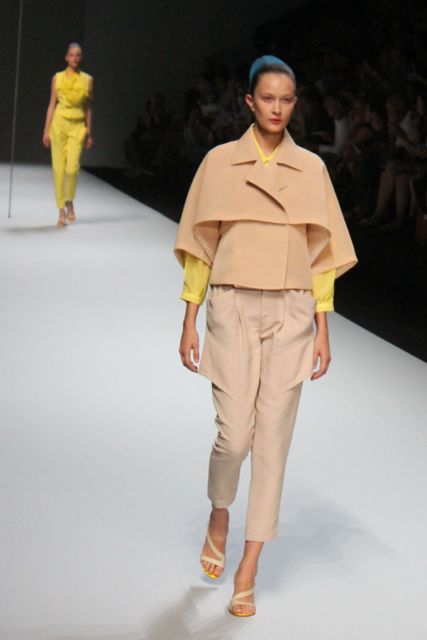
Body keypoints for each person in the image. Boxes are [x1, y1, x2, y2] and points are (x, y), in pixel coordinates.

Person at [173, 55, 358, 617]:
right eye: (268, 98)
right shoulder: (219, 162)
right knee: (234, 437)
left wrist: (323, 327)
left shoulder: (311, 169)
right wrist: (189, 316)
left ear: (294, 105)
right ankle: (220, 513)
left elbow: (321, 257)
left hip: (292, 310)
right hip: (230, 303)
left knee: (273, 440)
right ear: (249, 102)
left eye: (287, 99)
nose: (277, 108)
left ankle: (249, 566)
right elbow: (201, 246)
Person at [42, 43, 93, 227]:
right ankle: (61, 210)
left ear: (81, 58)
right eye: (71, 55)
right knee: (58, 169)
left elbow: (88, 107)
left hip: (77, 126)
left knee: (72, 169)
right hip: (59, 124)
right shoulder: (57, 78)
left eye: (77, 55)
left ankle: (69, 199)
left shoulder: (88, 80)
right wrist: (46, 129)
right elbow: (51, 104)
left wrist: (89, 132)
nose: (74, 58)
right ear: (66, 57)